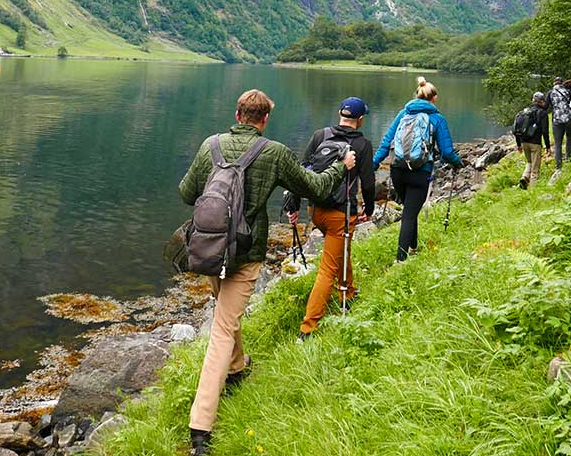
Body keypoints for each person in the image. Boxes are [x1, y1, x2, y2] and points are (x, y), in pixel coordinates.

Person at [178, 89, 356, 456]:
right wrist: (343, 166)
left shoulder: (211, 144)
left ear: (238, 113)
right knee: (223, 328)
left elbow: (186, 193)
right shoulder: (273, 152)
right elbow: (318, 187)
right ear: (265, 119)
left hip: (210, 247)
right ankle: (201, 430)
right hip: (246, 251)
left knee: (227, 318)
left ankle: (238, 367)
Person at [285, 97, 375, 341]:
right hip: (341, 213)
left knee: (339, 251)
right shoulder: (363, 145)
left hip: (316, 211)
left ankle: (349, 293)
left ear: (339, 114)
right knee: (327, 269)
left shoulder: (319, 135)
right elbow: (368, 182)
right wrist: (370, 207)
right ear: (360, 119)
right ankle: (308, 329)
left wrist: (293, 206)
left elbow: (300, 172)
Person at [373, 76, 462, 262]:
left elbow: (386, 142)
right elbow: (447, 151)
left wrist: (373, 164)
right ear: (434, 98)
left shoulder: (402, 115)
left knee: (409, 210)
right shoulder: (437, 119)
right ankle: (401, 260)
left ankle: (413, 247)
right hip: (420, 173)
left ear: (416, 95)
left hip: (397, 171)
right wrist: (457, 163)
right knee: (409, 215)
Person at [515, 91, 550, 189]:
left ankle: (525, 177)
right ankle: (532, 190)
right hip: (535, 143)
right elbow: (545, 132)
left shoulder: (524, 112)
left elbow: (517, 128)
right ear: (541, 101)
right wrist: (548, 147)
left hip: (524, 142)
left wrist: (518, 145)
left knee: (529, 162)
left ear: (533, 101)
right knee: (535, 168)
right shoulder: (542, 113)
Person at [545, 76, 571, 172]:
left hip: (557, 120)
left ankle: (559, 166)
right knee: (569, 138)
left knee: (558, 144)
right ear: (562, 83)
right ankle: (568, 159)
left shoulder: (550, 93)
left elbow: (545, 106)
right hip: (568, 118)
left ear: (554, 83)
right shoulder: (567, 91)